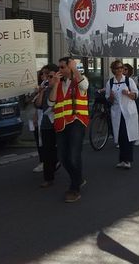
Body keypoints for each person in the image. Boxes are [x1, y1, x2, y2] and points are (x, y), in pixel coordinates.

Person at [48, 57, 89, 203]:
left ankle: (74, 188)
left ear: (69, 68)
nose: (59, 70)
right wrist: (54, 85)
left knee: (73, 154)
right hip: (61, 123)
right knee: (63, 157)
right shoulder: (58, 83)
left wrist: (75, 69)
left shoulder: (80, 79)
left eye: (62, 67)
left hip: (77, 121)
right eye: (59, 67)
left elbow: (84, 86)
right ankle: (78, 179)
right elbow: (50, 102)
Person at [106, 60, 139, 169]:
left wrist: (129, 93)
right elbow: (109, 100)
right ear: (113, 70)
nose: (120, 70)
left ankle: (128, 160)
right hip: (117, 112)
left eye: (121, 68)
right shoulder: (110, 83)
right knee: (120, 136)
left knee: (127, 135)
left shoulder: (129, 81)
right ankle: (122, 160)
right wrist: (110, 97)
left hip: (128, 112)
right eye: (117, 68)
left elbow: (136, 95)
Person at [37, 64, 60, 188]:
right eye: (46, 76)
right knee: (47, 152)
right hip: (46, 124)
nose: (47, 79)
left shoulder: (60, 88)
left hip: (58, 124)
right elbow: (39, 105)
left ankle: (56, 163)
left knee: (58, 151)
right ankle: (48, 178)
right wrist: (40, 93)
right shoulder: (45, 89)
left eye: (50, 76)